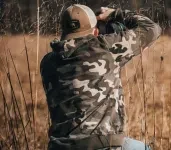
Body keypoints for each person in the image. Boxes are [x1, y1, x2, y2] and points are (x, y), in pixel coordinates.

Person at [40, 4, 161, 150]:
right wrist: (114, 14)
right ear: (96, 31)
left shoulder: (47, 63)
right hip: (103, 145)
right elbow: (151, 29)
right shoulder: (105, 48)